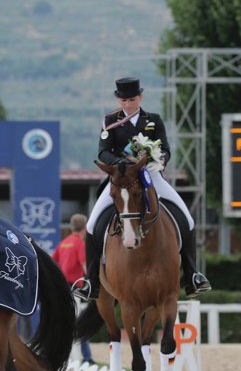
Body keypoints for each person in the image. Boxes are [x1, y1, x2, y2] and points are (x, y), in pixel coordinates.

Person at [72, 77, 211, 302]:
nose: (128, 104)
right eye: (124, 100)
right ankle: (90, 281)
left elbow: (165, 148)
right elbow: (103, 152)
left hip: (149, 176)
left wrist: (160, 160)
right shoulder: (110, 121)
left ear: (140, 97)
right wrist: (122, 163)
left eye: (132, 99)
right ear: (119, 100)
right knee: (91, 224)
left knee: (187, 218)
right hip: (121, 178)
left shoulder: (153, 120)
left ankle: (192, 274)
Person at [52, 214, 94, 364]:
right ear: (84, 228)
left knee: (66, 322)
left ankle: (78, 356)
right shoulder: (79, 243)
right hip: (75, 288)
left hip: (62, 288)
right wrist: (92, 282)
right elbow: (85, 265)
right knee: (79, 322)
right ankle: (86, 358)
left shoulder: (64, 243)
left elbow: (53, 261)